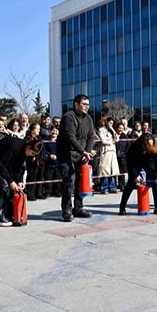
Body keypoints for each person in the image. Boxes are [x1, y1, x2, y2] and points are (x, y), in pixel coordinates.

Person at [0, 135, 43, 226]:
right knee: (3, 186)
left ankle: (9, 214)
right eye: (32, 153)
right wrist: (10, 181)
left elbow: (20, 167)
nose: (31, 155)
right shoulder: (14, 146)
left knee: (13, 189)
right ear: (28, 147)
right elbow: (1, 165)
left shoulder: (24, 151)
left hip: (6, 163)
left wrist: (19, 181)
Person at [57, 94, 97, 222]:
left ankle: (78, 208)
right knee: (69, 181)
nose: (87, 107)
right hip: (66, 154)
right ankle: (66, 210)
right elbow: (70, 137)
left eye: (88, 104)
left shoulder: (89, 118)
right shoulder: (68, 117)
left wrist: (88, 152)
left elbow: (91, 135)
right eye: (84, 104)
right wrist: (83, 151)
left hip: (82, 154)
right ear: (76, 104)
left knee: (81, 181)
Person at [118, 133, 157, 216]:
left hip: (148, 160)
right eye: (148, 144)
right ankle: (122, 207)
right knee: (130, 184)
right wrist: (135, 175)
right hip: (136, 161)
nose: (150, 146)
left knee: (156, 182)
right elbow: (130, 163)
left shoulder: (154, 148)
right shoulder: (134, 147)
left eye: (152, 144)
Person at [97, 116, 120, 194]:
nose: (111, 124)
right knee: (105, 170)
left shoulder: (112, 130)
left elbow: (117, 139)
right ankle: (104, 187)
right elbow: (103, 140)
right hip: (105, 151)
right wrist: (111, 141)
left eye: (112, 123)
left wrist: (113, 130)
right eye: (110, 123)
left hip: (113, 152)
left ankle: (112, 187)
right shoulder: (101, 130)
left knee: (113, 169)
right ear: (106, 122)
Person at [115, 122, 131, 191]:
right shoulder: (115, 135)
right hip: (115, 155)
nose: (120, 129)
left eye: (122, 128)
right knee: (116, 170)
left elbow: (128, 145)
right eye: (119, 128)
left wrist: (125, 154)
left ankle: (122, 185)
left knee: (122, 171)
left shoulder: (125, 136)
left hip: (123, 156)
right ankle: (116, 184)